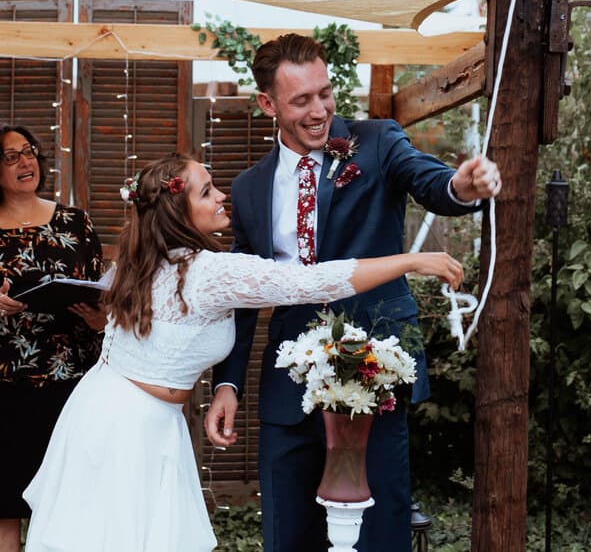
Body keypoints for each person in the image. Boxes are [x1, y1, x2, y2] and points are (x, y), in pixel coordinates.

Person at [22, 151, 463, 552]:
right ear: (179, 210)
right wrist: (409, 261)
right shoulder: (209, 272)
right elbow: (312, 282)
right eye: (207, 191)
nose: (221, 196)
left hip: (119, 414)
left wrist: (225, 388)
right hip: (124, 428)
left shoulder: (140, 260)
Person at [205, 33, 502, 552]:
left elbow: (431, 181)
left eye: (325, 93)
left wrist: (462, 186)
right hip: (287, 386)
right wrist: (226, 385)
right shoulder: (250, 187)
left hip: (373, 373)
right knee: (287, 534)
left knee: (377, 534)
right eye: (301, 100)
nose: (319, 109)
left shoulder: (379, 141)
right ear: (267, 104)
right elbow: (243, 295)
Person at [0, 125, 105, 552]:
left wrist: (101, 316)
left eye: (30, 152)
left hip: (72, 384)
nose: (27, 162)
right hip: (6, 385)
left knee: (66, 503)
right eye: (11, 156)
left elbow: (105, 290)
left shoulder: (75, 221)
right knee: (5, 502)